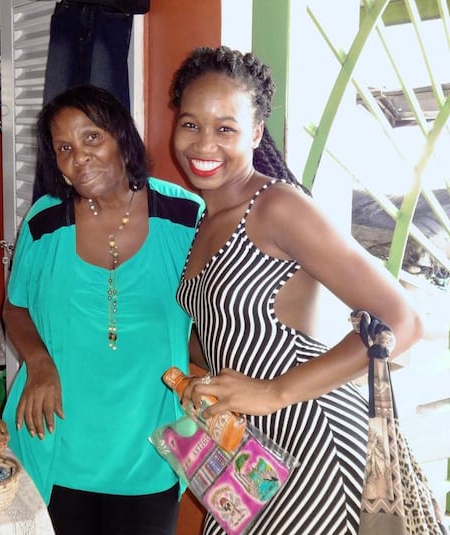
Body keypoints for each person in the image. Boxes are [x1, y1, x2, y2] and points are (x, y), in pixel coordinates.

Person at [171, 45, 423, 534]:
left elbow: (404, 321)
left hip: (313, 440)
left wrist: (272, 392)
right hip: (255, 448)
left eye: (226, 128)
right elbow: (229, 333)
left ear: (256, 133)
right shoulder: (205, 219)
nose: (204, 144)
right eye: (190, 123)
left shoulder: (277, 207)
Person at [2, 84, 204, 534]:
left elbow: (216, 313)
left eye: (92, 138)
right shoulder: (45, 221)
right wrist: (38, 365)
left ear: (121, 137)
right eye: (65, 148)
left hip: (150, 443)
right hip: (55, 436)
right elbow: (14, 309)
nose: (80, 157)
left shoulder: (186, 217)